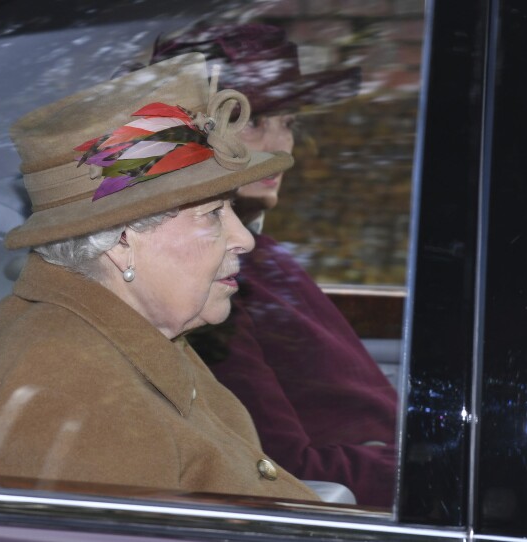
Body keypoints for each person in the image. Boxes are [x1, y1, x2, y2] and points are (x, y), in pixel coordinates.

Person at [0, 53, 320, 501]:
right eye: (213, 213)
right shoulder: (68, 388)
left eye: (230, 208)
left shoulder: (138, 329)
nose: (243, 239)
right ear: (121, 242)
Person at [149, 24, 399, 507]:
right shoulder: (207, 279)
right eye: (255, 121)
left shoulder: (265, 253)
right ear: (190, 134)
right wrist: (438, 471)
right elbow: (281, 466)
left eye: (288, 122)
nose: (281, 147)